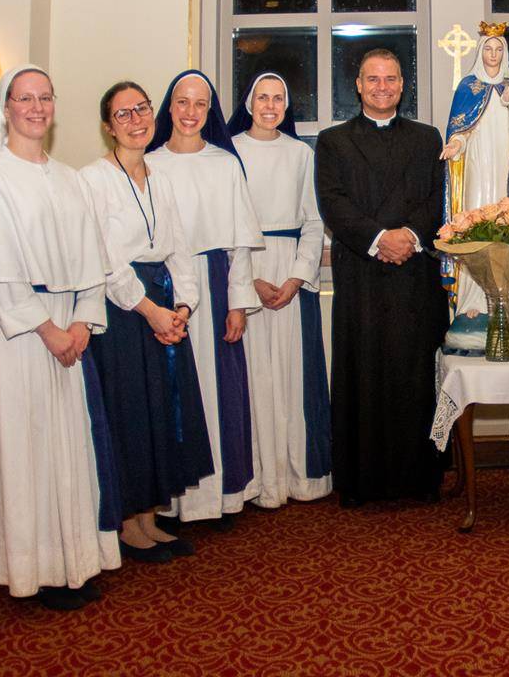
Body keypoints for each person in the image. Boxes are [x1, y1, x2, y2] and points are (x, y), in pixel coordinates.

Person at [0, 65, 120, 610]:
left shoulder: (68, 178)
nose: (36, 107)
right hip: (19, 335)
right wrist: (47, 328)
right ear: (5, 107)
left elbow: (93, 263)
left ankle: (75, 560)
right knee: (27, 446)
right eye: (25, 98)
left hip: (68, 326)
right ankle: (35, 569)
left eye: (45, 97)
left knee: (71, 446)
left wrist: (80, 322)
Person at [79, 81, 214, 563]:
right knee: (131, 414)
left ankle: (151, 519)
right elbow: (105, 261)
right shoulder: (93, 180)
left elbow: (179, 246)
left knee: (163, 413)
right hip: (122, 314)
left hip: (163, 307)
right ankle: (129, 524)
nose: (136, 120)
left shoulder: (160, 179)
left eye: (141, 109)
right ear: (107, 127)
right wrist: (150, 309)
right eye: (123, 114)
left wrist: (183, 306)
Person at [315, 48, 449, 506]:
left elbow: (438, 199)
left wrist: (409, 235)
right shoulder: (333, 142)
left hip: (415, 279)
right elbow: (332, 203)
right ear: (358, 84)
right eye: (373, 79)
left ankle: (419, 478)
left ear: (402, 84)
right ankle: (362, 482)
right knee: (363, 375)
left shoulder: (428, 138)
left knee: (415, 376)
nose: (382, 87)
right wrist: (379, 239)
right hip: (363, 277)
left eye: (390, 79)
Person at [146, 70, 264, 524]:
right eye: (182, 102)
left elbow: (239, 243)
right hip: (164, 287)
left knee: (221, 390)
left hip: (215, 283)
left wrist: (237, 303)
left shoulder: (225, 164)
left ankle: (222, 494)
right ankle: (174, 499)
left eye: (200, 104)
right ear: (169, 107)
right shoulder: (150, 163)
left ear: (209, 110)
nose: (191, 112)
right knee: (173, 388)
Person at [227, 72, 332, 508]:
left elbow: (313, 220)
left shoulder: (299, 154)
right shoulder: (229, 152)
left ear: (287, 107)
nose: (269, 106)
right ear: (249, 103)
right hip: (245, 266)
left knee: (293, 373)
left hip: (291, 271)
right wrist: (249, 277)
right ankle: (259, 480)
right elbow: (225, 220)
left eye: (278, 99)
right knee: (254, 377)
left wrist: (295, 277)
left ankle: (299, 476)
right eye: (262, 98)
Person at [441, 24, 509, 332]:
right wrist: (456, 142)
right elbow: (460, 129)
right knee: (473, 226)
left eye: (498, 49)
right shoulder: (468, 87)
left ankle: (503, 301)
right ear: (480, 51)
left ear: (505, 53)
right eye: (488, 48)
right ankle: (471, 302)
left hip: (505, 169)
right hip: (476, 167)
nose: (493, 55)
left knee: (506, 226)